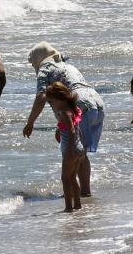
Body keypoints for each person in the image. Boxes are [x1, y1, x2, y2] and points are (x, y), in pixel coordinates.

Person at [23, 42, 105, 198]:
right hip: (97, 103)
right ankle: (84, 192)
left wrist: (30, 122)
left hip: (80, 103)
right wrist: (61, 124)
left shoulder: (45, 69)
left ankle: (71, 194)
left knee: (71, 152)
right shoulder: (67, 66)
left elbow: (41, 97)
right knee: (82, 152)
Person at [45, 82, 86, 213]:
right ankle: (77, 205)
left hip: (71, 149)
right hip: (78, 148)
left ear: (60, 99)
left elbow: (72, 130)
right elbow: (75, 128)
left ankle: (68, 207)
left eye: (52, 101)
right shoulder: (71, 109)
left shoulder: (64, 112)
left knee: (65, 178)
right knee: (72, 177)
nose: (52, 104)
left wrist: (69, 150)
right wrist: (59, 130)